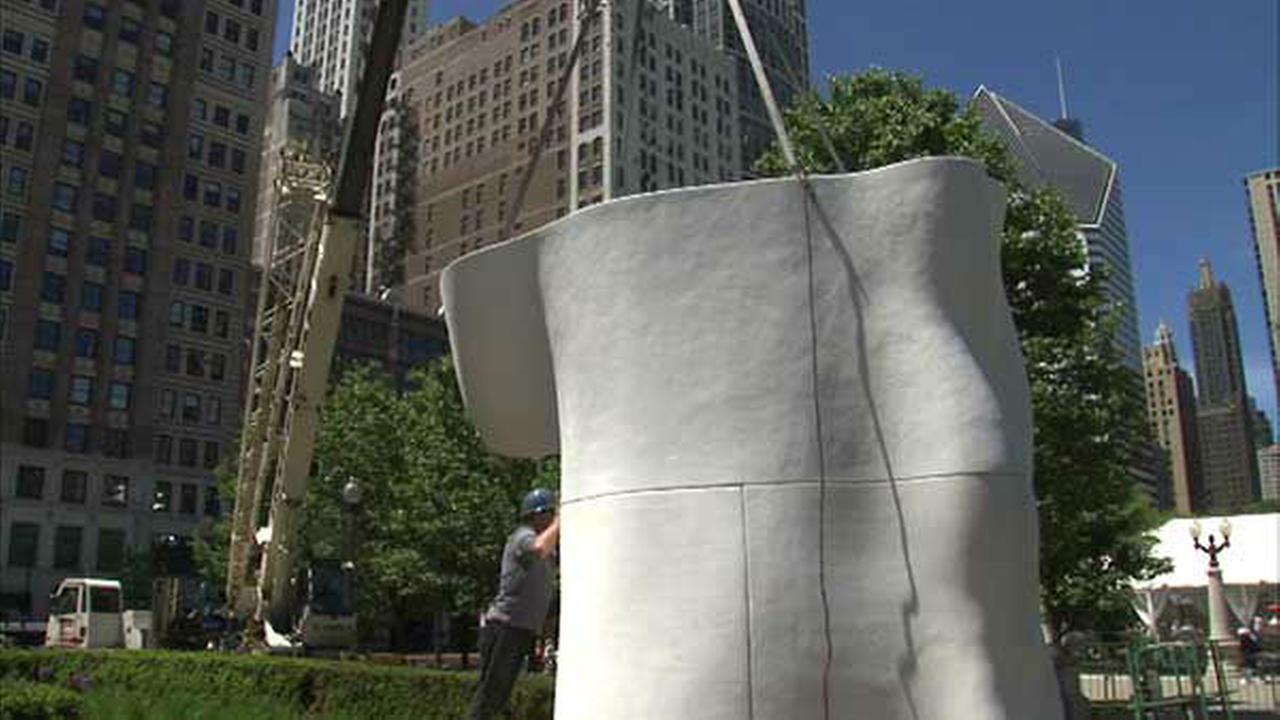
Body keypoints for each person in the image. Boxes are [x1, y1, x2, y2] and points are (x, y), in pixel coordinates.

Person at [468, 488, 560, 720]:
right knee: (490, 696)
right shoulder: (523, 537)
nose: (552, 519)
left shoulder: (548, 550)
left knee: (500, 696)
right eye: (550, 514)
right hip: (505, 626)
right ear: (537, 515)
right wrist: (562, 519)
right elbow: (538, 549)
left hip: (520, 630)